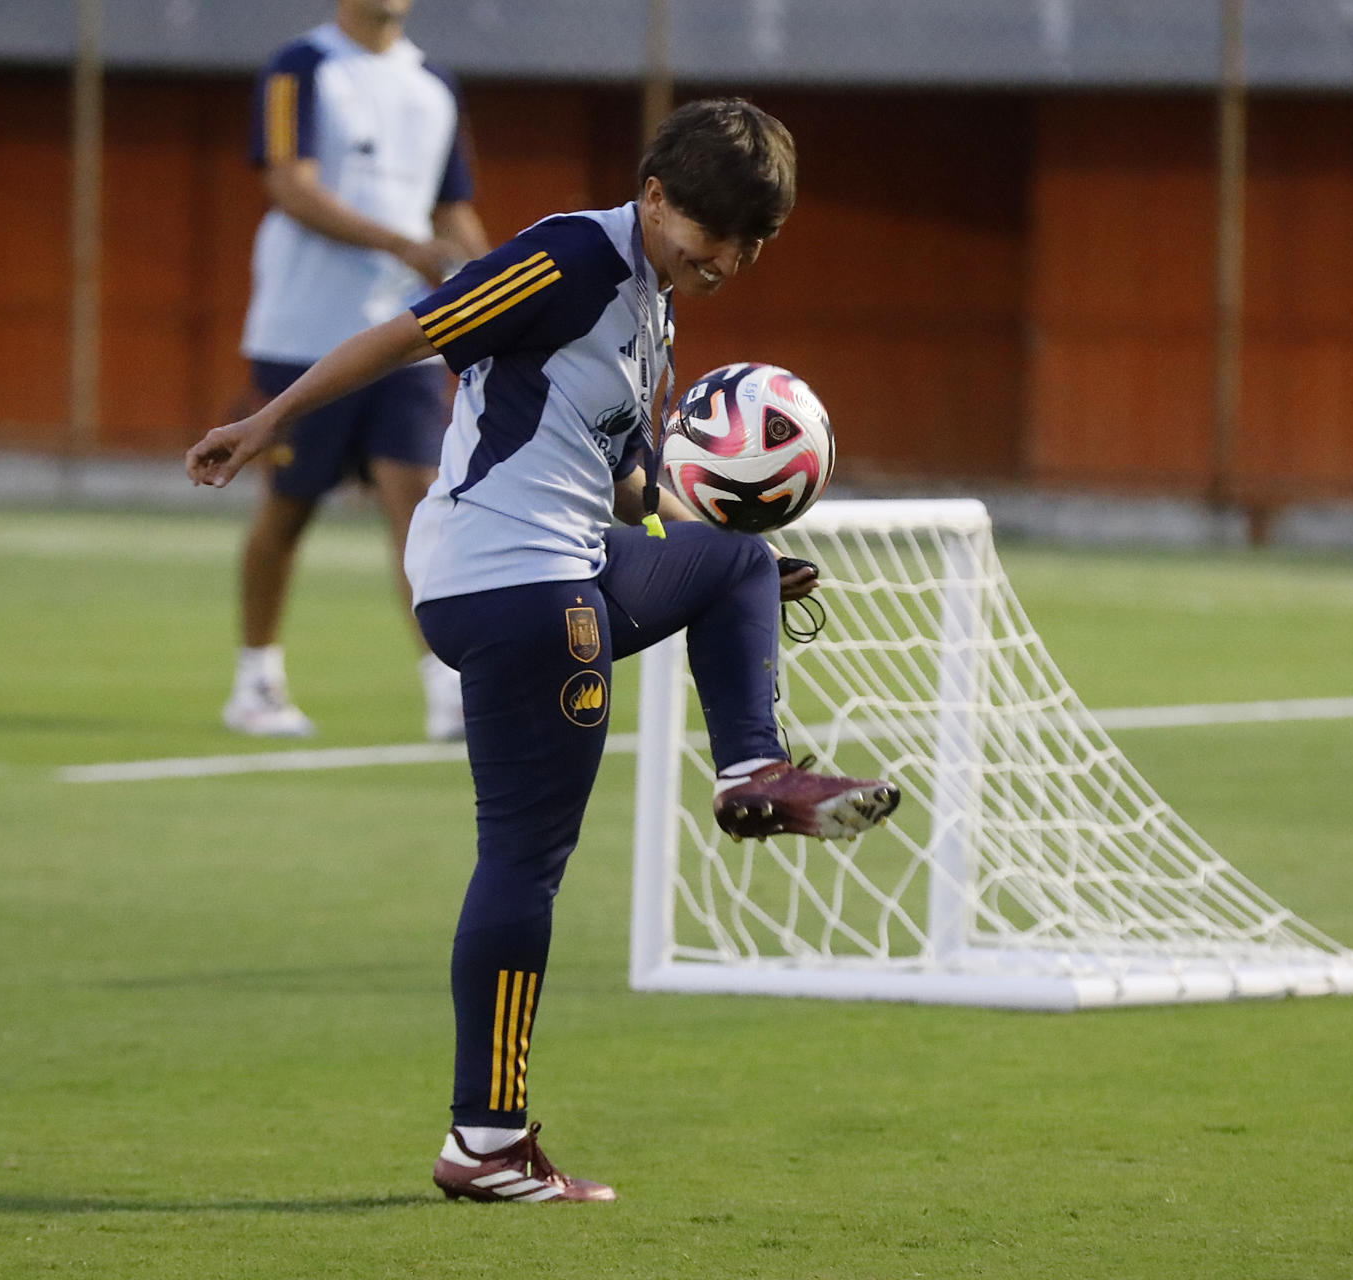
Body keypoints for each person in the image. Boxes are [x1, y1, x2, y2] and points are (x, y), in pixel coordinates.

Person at [187, 99, 900, 1204]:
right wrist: (267, 420)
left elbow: (623, 483)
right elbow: (410, 332)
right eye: (712, 231)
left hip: (543, 566)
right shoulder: (574, 254)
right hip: (514, 582)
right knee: (524, 860)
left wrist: (697, 537)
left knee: (740, 563)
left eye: (752, 243)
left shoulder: (652, 309)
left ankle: (753, 767)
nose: (729, 259)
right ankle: (487, 1141)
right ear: (655, 195)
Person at [225, 0, 491, 740]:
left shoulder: (435, 82)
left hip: (404, 336)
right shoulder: (300, 67)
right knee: (288, 506)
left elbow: (451, 210)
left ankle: (448, 692)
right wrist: (404, 245)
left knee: (419, 503)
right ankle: (256, 681)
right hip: (302, 332)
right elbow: (290, 185)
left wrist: (502, 279)